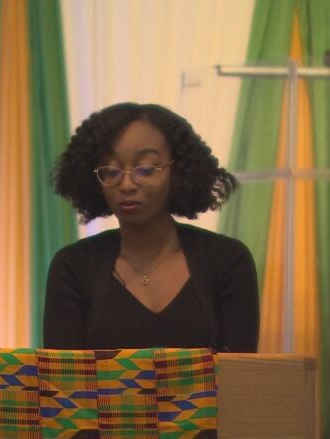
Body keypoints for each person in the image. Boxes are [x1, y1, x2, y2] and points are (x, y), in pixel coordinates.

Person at [43, 102, 259, 352]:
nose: (126, 184)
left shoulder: (227, 261)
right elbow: (63, 384)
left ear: (177, 171)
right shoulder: (73, 267)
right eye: (111, 171)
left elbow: (240, 379)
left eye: (145, 169)